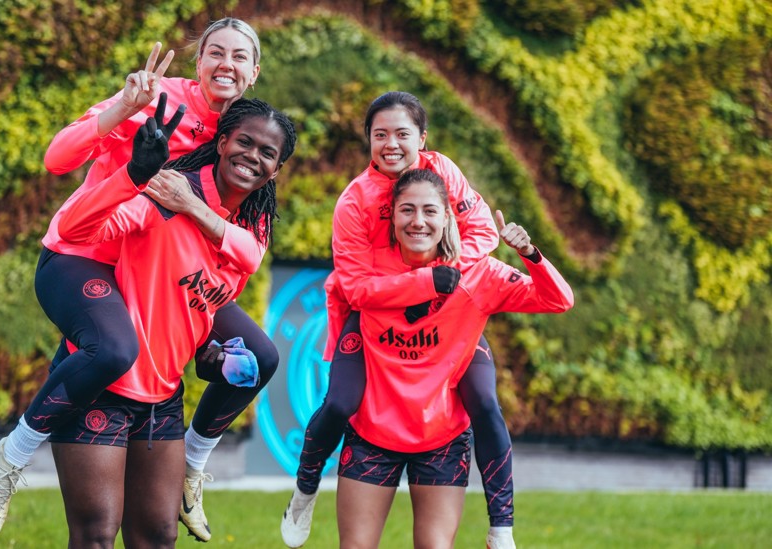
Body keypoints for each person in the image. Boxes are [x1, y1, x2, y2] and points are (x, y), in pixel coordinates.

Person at [0, 18, 273, 541]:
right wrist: (122, 110)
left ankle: (192, 468)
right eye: (215, 53)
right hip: (84, 253)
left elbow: (241, 253)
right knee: (114, 348)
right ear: (197, 60)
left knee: (261, 355)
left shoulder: (245, 139)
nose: (226, 64)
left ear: (254, 71)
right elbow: (56, 158)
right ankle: (12, 454)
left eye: (239, 56)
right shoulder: (156, 98)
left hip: (154, 268)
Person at [49, 97, 297, 547]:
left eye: (268, 153)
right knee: (96, 536)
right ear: (221, 142)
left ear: (276, 170)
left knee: (158, 538)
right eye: (245, 142)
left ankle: (194, 471)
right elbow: (73, 230)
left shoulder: (252, 227)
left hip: (161, 399)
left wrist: (209, 352)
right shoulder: (166, 195)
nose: (253, 156)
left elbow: (197, 305)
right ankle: (12, 452)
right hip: (103, 384)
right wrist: (132, 177)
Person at [281, 91, 517, 549]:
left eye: (402, 134)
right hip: (371, 318)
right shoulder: (354, 201)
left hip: (446, 317)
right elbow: (354, 288)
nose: (391, 143)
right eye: (379, 134)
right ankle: (305, 487)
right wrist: (429, 280)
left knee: (485, 402)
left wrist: (448, 272)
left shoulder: (441, 171)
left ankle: (502, 527)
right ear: (368, 139)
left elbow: (484, 231)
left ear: (422, 138)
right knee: (341, 403)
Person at [335, 168, 574, 549]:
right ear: (392, 215)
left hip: (441, 439)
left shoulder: (480, 274)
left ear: (448, 216)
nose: (418, 221)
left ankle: (503, 528)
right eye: (407, 210)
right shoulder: (370, 270)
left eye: (430, 211)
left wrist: (530, 254)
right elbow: (343, 293)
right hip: (372, 435)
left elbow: (558, 299)